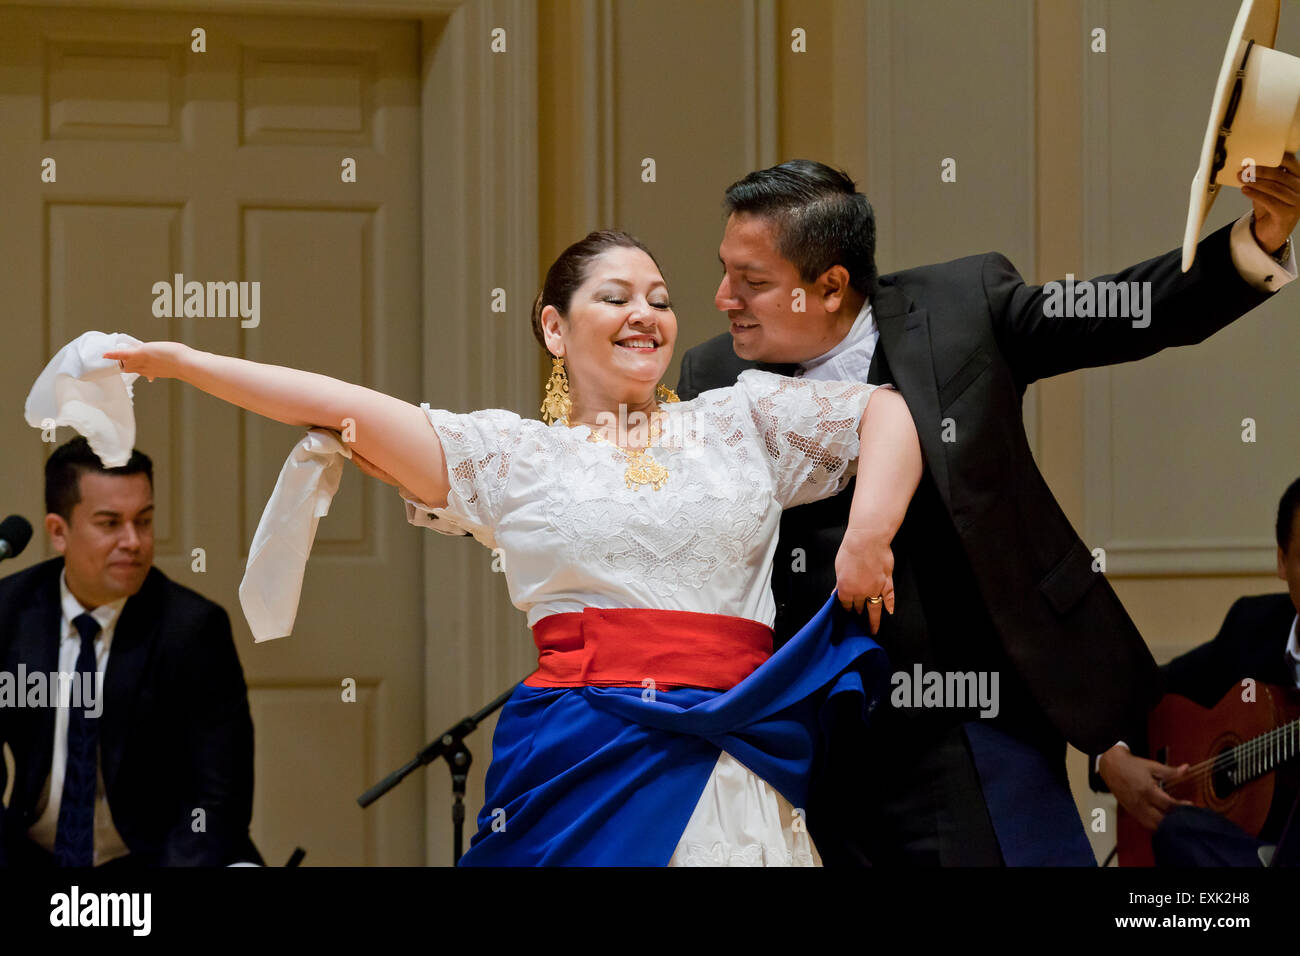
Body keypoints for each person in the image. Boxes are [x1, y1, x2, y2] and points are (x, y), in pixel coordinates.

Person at [102, 229, 923, 866]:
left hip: (736, 737)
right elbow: (340, 403)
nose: (647, 314)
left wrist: (868, 534)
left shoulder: (742, 420)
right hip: (584, 751)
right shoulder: (511, 458)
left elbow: (885, 414)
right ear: (554, 327)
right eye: (616, 297)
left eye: (661, 298)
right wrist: (181, 361)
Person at [675, 158, 1300, 866]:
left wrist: (1255, 240)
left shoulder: (960, 309)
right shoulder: (712, 378)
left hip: (979, 720)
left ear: (830, 286)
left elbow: (1124, 312)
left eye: (753, 282)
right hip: (818, 742)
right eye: (726, 271)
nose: (725, 297)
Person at [0, 437, 262, 867]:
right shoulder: (9, 614)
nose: (134, 542)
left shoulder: (192, 629)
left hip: (158, 857)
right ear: (58, 532)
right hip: (32, 854)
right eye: (109, 523)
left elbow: (218, 803)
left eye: (144, 521)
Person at [1092, 476, 1300, 866]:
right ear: (1282, 562)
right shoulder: (1253, 627)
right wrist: (1112, 758)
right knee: (1178, 829)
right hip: (1240, 853)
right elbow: (1149, 689)